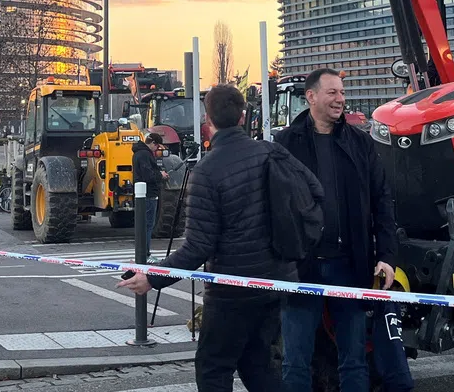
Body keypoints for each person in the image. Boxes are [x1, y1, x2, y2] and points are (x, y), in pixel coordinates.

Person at [118, 85, 321, 392]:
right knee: (256, 364)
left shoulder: (207, 170)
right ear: (242, 117)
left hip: (232, 289)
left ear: (208, 120)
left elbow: (198, 246)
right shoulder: (272, 152)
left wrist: (153, 278)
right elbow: (314, 192)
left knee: (213, 368)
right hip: (276, 280)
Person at [275, 68, 412, 392]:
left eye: (342, 92)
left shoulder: (360, 143)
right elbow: (273, 207)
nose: (340, 99)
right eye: (332, 93)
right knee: (295, 361)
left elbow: (382, 201)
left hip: (349, 265)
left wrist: (386, 257)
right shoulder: (285, 145)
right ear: (311, 97)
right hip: (301, 267)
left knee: (353, 358)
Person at [131, 133, 167, 255]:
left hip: (141, 194)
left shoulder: (137, 153)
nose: (157, 150)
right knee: (147, 225)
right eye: (157, 147)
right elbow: (148, 175)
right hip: (149, 194)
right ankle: (145, 253)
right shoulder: (145, 154)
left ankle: (142, 253)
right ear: (153, 143)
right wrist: (160, 175)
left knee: (142, 224)